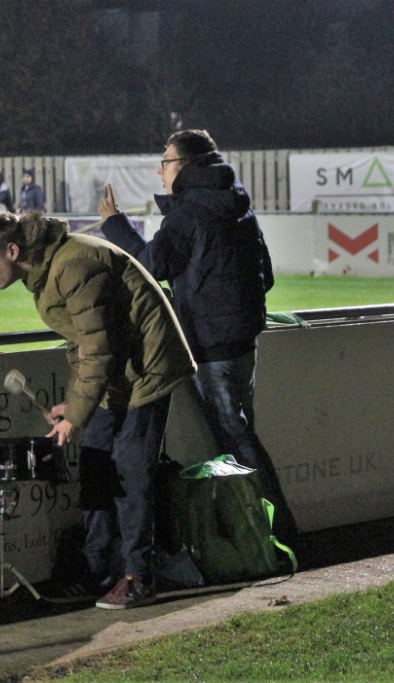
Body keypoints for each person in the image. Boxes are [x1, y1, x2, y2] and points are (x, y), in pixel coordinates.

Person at [0, 210, 195, 609]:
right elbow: (83, 341)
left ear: (13, 251)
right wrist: (75, 403)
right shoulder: (47, 272)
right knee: (96, 467)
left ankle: (138, 578)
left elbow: (97, 349)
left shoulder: (73, 265)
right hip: (120, 371)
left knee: (130, 472)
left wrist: (75, 416)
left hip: (148, 369)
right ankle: (98, 573)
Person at [98, 129, 299, 543]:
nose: (160, 171)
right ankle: (259, 534)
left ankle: (277, 533)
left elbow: (150, 264)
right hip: (242, 340)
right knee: (239, 434)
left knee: (236, 438)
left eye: (165, 162)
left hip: (211, 344)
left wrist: (115, 226)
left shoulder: (190, 213)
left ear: (186, 165)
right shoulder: (237, 205)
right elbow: (265, 276)